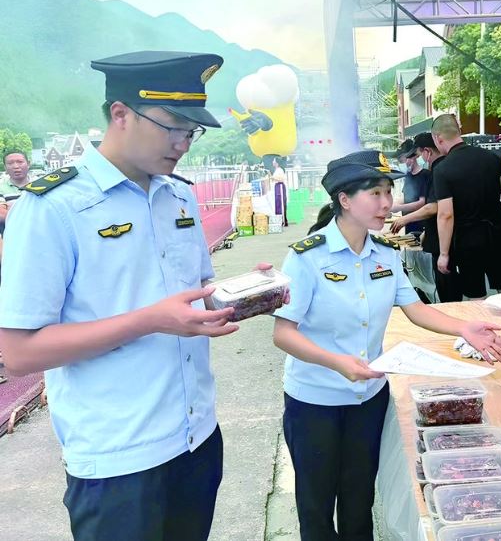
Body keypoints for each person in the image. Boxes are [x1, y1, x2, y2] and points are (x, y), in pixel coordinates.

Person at [0, 51, 264, 541]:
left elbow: (193, 297)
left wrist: (248, 290)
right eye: (173, 127)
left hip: (196, 439)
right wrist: (150, 320)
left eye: (192, 131)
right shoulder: (52, 208)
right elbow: (18, 352)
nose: (183, 143)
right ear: (120, 114)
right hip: (119, 460)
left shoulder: (179, 196)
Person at [273, 149, 501, 540]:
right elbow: (283, 333)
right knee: (316, 504)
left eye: (389, 190)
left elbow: (417, 309)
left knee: (359, 497)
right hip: (315, 402)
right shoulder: (307, 258)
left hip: (368, 398)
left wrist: (464, 329)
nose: (387, 203)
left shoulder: (384, 253)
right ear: (345, 200)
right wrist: (337, 363)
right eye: (375, 193)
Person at [431, 114, 501, 299]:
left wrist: (444, 253)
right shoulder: (491, 158)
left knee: (476, 298)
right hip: (498, 234)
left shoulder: (442, 170)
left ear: (438, 138)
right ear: (459, 131)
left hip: (468, 242)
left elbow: (446, 214)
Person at [391, 132, 462, 302]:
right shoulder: (438, 169)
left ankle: (451, 316)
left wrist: (403, 218)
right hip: (436, 235)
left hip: (444, 240)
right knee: (446, 285)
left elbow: (433, 207)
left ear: (426, 152)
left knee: (448, 287)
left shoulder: (436, 171)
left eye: (418, 153)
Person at [390, 138, 430, 235]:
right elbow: (405, 197)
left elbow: (421, 203)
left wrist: (400, 208)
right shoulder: (408, 175)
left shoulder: (425, 175)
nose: (401, 164)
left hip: (421, 225)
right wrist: (390, 206)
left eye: (402, 160)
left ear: (413, 157)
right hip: (408, 224)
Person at [0, 150, 32, 233]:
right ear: (5, 167)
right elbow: (1, 214)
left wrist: (11, 210)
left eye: (20, 162)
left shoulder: (40, 185)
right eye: (10, 163)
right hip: (12, 237)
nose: (16, 166)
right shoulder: (1, 189)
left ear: (28, 164)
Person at [271, 156, 289, 227]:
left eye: (274, 161)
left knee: (281, 203)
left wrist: (273, 178)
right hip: (277, 187)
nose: (272, 162)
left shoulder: (280, 170)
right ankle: (279, 220)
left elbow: (281, 179)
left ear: (277, 163)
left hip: (280, 187)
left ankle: (283, 220)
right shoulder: (277, 170)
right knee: (278, 203)